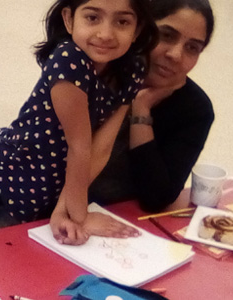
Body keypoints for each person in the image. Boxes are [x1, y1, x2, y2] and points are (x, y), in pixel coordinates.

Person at [0, 0, 158, 245]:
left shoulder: (133, 69)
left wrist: (64, 210)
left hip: (42, 186)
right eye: (92, 18)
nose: (105, 34)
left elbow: (100, 148)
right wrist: (81, 216)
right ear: (69, 20)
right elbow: (80, 146)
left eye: (122, 22)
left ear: (137, 29)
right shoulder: (68, 59)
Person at [89, 0, 215, 213]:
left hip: (120, 222)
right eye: (167, 35)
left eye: (192, 48)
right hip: (47, 207)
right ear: (141, 30)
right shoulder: (98, 71)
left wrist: (141, 109)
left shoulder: (195, 109)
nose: (175, 55)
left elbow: (157, 198)